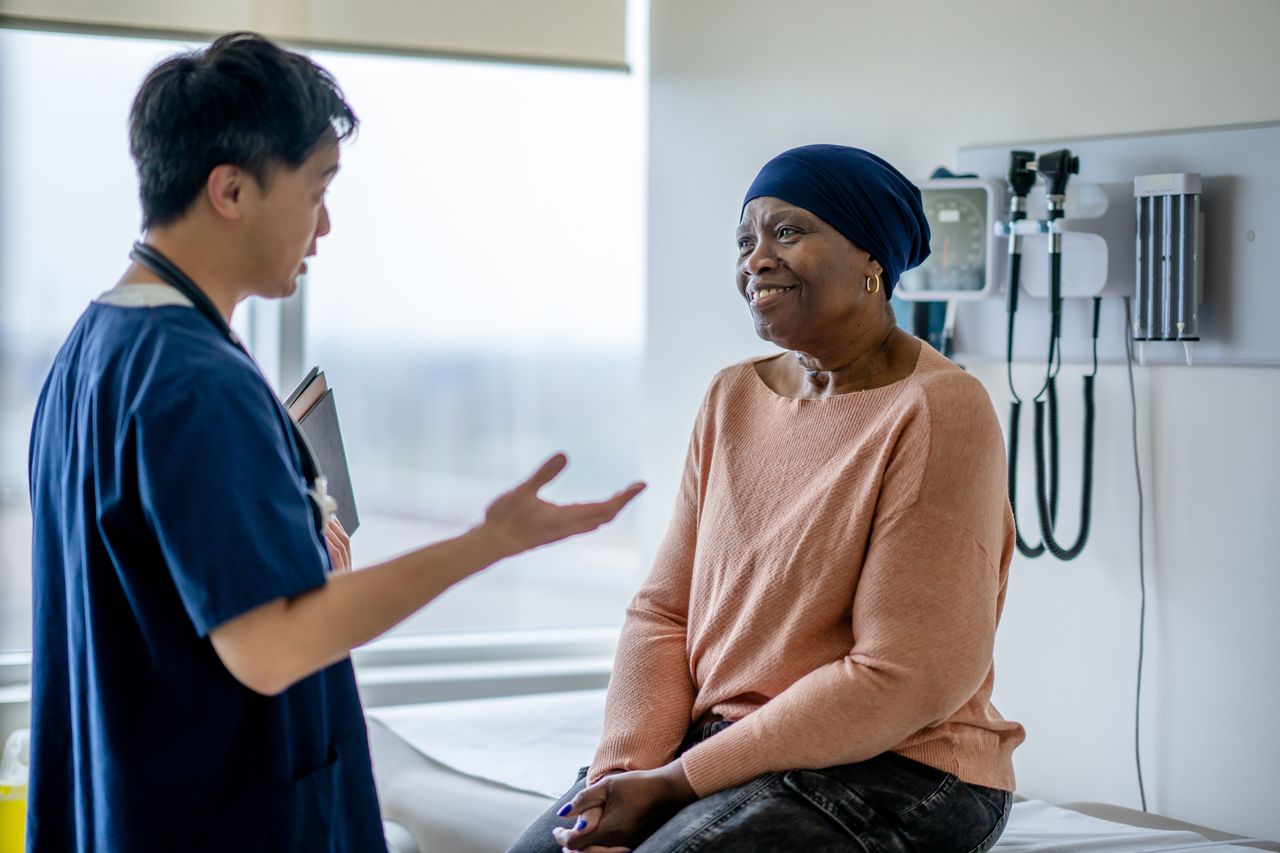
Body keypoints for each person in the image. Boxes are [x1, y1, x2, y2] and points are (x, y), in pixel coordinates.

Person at [25, 32, 643, 852]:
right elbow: (273, 646)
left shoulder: (91, 350)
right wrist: (489, 541)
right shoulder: (196, 382)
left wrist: (301, 550)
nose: (326, 223)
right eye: (317, 188)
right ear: (231, 190)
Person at [509, 144, 1026, 853]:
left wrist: (680, 782)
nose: (756, 259)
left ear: (872, 258)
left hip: (899, 768)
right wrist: (628, 774)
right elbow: (664, 611)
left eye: (788, 232)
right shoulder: (731, 397)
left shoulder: (937, 409)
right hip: (729, 750)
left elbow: (902, 677)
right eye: (745, 241)